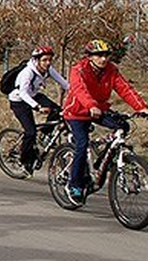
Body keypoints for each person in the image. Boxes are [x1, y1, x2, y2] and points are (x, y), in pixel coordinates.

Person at [61, 39, 148, 201]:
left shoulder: (111, 70)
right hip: (77, 112)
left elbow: (124, 88)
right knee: (82, 144)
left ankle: (104, 160)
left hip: (99, 110)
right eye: (99, 55)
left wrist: (141, 107)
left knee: (123, 126)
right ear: (89, 57)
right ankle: (74, 185)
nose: (103, 59)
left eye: (106, 55)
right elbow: (80, 90)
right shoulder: (78, 70)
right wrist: (91, 105)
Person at [6, 45, 67, 173]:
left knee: (58, 111)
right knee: (30, 132)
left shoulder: (48, 69)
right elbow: (23, 93)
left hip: (34, 95)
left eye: (50, 60)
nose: (48, 63)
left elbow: (64, 84)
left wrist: (80, 95)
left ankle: (44, 136)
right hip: (19, 101)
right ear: (36, 60)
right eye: (44, 60)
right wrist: (38, 107)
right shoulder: (27, 72)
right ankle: (25, 161)